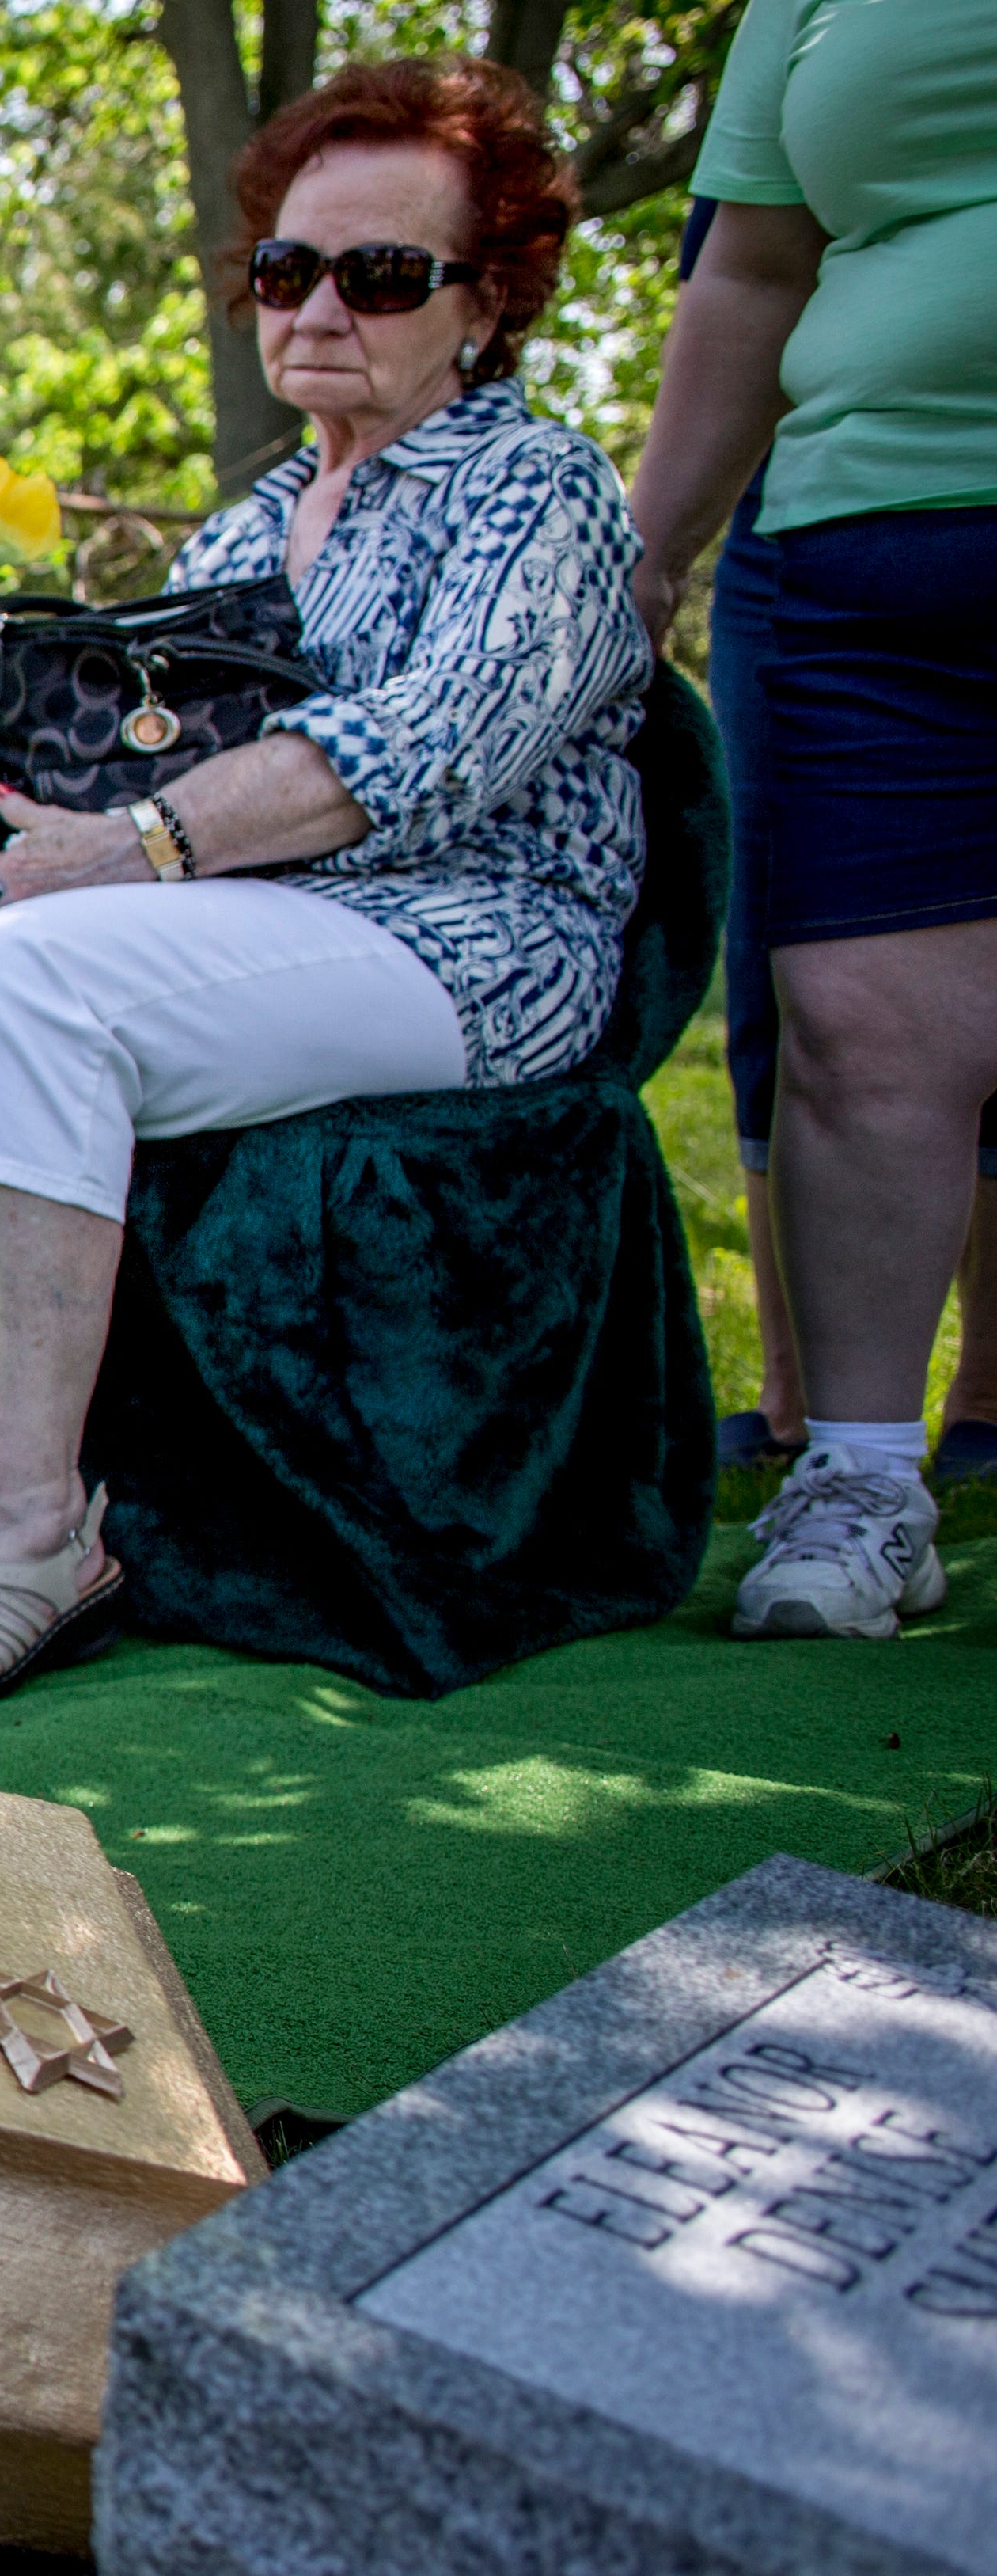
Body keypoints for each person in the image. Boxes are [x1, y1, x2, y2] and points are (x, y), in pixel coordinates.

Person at [0, 56, 652, 1694]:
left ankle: (38, 1531)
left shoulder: (546, 492)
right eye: (286, 269)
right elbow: (124, 779)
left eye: (383, 274)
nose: (319, 307)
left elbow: (424, 748)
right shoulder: (249, 524)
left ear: (490, 301)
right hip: (257, 923)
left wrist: (136, 854)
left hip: (478, 944)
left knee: (31, 982)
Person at [632, 5, 997, 1636]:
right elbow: (756, 269)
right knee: (857, 1028)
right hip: (873, 551)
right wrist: (645, 558)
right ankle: (861, 1476)